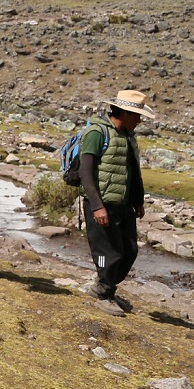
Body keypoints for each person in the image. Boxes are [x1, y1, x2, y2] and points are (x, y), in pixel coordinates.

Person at [79, 90, 154, 317]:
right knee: (107, 253)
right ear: (124, 112)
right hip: (102, 204)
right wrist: (97, 206)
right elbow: (85, 171)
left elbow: (133, 170)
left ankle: (106, 287)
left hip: (124, 205)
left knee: (129, 251)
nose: (140, 120)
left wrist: (138, 200)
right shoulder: (96, 133)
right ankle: (102, 293)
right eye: (137, 115)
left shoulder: (129, 137)